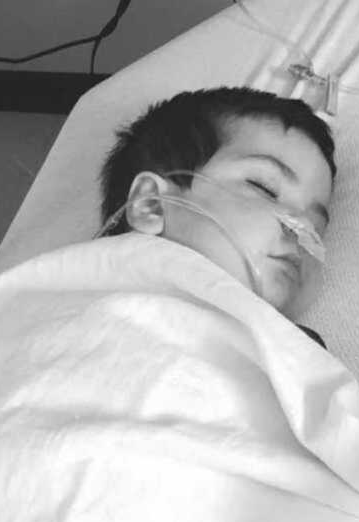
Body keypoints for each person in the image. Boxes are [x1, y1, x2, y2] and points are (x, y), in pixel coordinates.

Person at [98, 87, 336, 348]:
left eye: (316, 228)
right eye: (265, 188)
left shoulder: (296, 359)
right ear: (151, 204)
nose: (299, 229)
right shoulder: (79, 298)